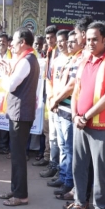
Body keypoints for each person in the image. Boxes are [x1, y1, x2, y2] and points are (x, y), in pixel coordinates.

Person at [61, 21, 105, 209]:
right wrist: (76, 114)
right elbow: (77, 88)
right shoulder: (85, 59)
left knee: (100, 170)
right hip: (80, 122)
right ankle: (80, 204)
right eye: (87, 39)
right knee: (78, 165)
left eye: (95, 39)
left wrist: (85, 115)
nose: (90, 43)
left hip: (100, 125)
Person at [0, 28, 40, 207]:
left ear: (23, 42)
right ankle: (16, 189)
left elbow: (10, 85)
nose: (11, 44)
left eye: (13, 41)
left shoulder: (26, 61)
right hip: (19, 112)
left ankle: (21, 195)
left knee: (18, 156)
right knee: (16, 154)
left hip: (20, 114)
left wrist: (3, 75)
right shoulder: (25, 59)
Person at [49, 29, 86, 198]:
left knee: (69, 149)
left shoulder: (79, 59)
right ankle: (63, 177)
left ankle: (69, 181)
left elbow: (71, 86)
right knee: (63, 146)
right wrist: (54, 100)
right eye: (67, 41)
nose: (68, 44)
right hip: (60, 107)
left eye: (72, 41)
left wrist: (56, 100)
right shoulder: (67, 59)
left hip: (68, 108)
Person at [40, 26, 63, 177]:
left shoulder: (61, 55)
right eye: (47, 38)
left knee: (58, 138)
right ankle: (50, 161)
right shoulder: (49, 52)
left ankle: (57, 168)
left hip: (58, 99)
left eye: (52, 38)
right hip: (49, 95)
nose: (50, 41)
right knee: (49, 132)